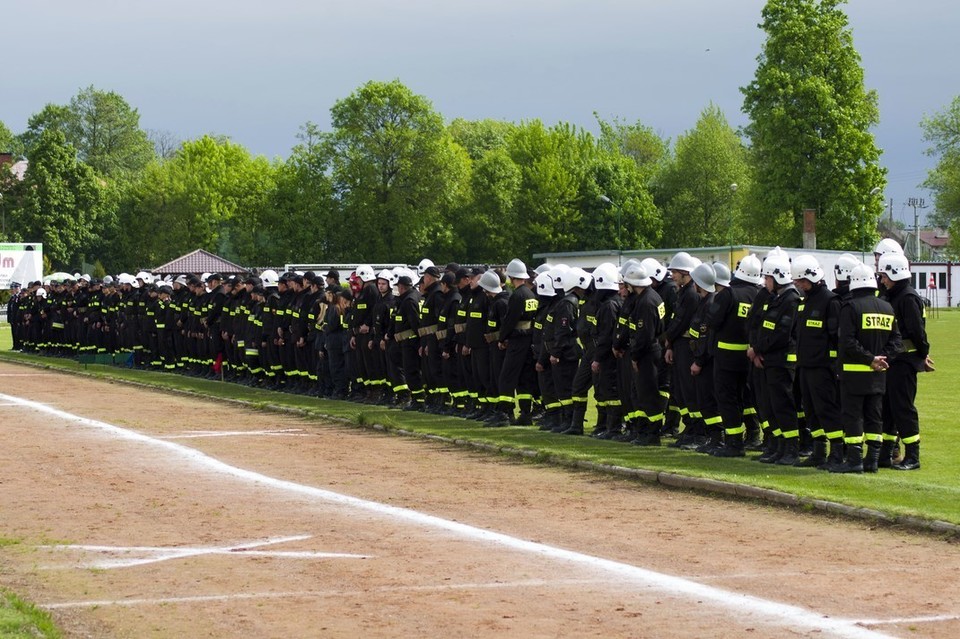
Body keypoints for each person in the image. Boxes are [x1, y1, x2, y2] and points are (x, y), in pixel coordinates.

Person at [830, 263, 902, 473]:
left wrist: (870, 359)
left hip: (853, 373)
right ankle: (872, 460)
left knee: (852, 416)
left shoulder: (850, 307)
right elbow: (897, 341)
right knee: (874, 417)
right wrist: (882, 359)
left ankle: (854, 460)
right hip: (878, 374)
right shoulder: (887, 308)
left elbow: (847, 342)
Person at [877, 252, 933, 470]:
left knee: (902, 408)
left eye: (884, 276)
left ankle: (912, 456)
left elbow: (917, 332)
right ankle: (885, 454)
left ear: (895, 273)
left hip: (904, 362)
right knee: (888, 408)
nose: (882, 280)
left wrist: (922, 354)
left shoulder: (907, 298)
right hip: (893, 361)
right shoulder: (892, 295)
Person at [791, 255, 843, 469]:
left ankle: (837, 453)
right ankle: (818, 452)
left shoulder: (830, 301)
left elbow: (836, 338)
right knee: (811, 411)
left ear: (811, 278)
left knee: (827, 410)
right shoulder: (806, 302)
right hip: (805, 366)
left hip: (823, 368)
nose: (797, 285)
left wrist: (832, 366)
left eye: (800, 281)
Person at [752, 252, 801, 465]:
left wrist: (758, 348)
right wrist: (758, 349)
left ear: (778, 277)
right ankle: (779, 446)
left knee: (783, 406)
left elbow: (782, 334)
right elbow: (763, 326)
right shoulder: (777, 299)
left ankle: (791, 449)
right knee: (772, 406)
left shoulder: (790, 300)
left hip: (782, 362)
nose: (765, 282)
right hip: (770, 360)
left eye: (767, 278)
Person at [710, 255, 761, 457]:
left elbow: (713, 321)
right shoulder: (759, 294)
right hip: (748, 359)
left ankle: (734, 444)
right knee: (744, 399)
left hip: (725, 358)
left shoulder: (728, 294)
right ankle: (749, 436)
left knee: (727, 400)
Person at [495, 259, 539, 427]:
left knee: (507, 377)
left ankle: (505, 413)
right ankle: (526, 413)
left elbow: (509, 320)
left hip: (516, 341)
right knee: (524, 378)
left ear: (512, 277)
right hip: (529, 340)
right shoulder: (530, 294)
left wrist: (502, 338)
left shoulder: (517, 295)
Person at [7, 282, 23, 350]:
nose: (12, 290)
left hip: (17, 319)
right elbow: (10, 309)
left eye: (13, 288)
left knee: (18, 333)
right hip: (12, 319)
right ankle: (15, 346)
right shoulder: (13, 298)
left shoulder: (19, 297)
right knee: (13, 333)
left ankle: (19, 346)